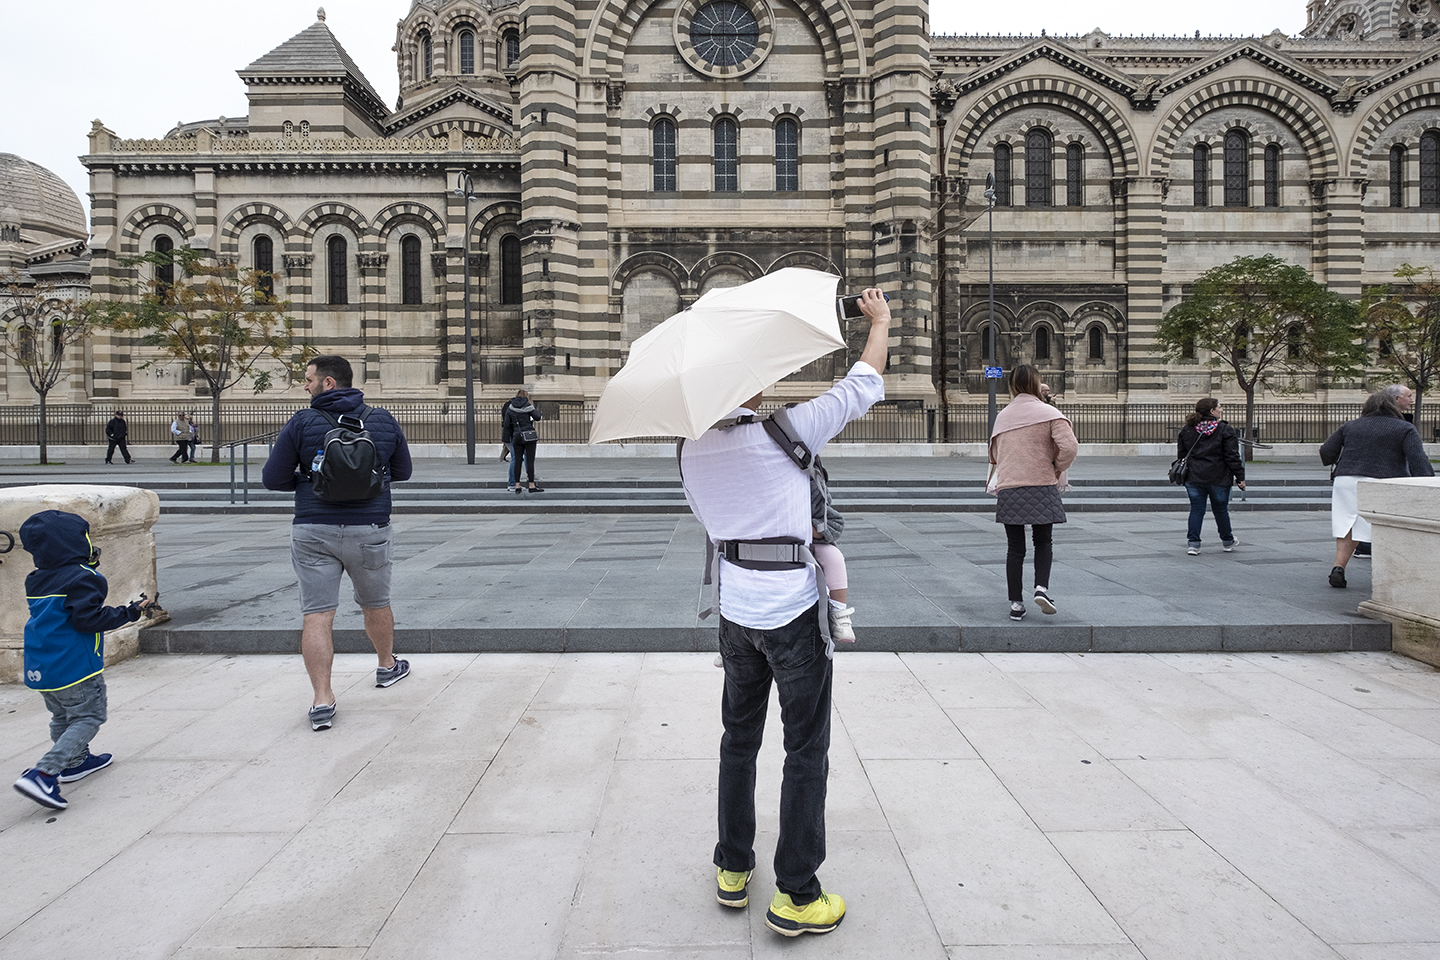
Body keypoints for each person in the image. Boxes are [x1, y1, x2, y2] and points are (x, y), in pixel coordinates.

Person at [680, 287, 891, 938]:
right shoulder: (786, 430)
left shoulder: (690, 450)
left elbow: (714, 527)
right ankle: (797, 893)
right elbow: (864, 385)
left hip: (735, 612)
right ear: (748, 385)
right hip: (792, 612)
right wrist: (878, 322)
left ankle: (734, 867)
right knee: (806, 750)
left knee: (737, 741)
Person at [261, 355, 414, 730]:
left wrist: (308, 478)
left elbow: (272, 478)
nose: (305, 385)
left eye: (309, 379)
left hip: (314, 529)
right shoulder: (381, 419)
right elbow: (404, 472)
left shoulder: (302, 422)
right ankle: (386, 665)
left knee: (317, 614)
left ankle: (322, 700)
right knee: (376, 604)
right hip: (369, 528)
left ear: (328, 383)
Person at [12, 510, 154, 810]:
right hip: (73, 666)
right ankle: (44, 773)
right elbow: (89, 620)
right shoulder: (83, 577)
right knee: (88, 716)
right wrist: (131, 611)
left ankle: (76, 762)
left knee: (61, 716)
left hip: (41, 665)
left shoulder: (35, 579)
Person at [988, 365, 1078, 621]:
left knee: (1015, 549)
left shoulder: (1003, 416)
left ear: (1013, 385)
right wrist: (1057, 467)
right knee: (1043, 541)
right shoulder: (1049, 412)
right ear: (1036, 384)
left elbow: (994, 454)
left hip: (1010, 486)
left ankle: (1016, 604)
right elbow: (1069, 446)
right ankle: (1041, 588)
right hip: (1042, 483)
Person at [1319, 390, 1433, 588]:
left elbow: (1326, 452)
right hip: (1384, 481)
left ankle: (1338, 567)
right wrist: (1428, 482)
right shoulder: (1404, 428)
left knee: (1347, 525)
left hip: (1346, 480)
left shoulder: (1351, 426)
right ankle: (1389, 575)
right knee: (1385, 526)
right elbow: (1418, 460)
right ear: (1393, 406)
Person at [1176, 398, 1247, 556]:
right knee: (1221, 510)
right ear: (1212, 411)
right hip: (1219, 477)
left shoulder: (1188, 429)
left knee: (1196, 509)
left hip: (1193, 476)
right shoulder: (1224, 430)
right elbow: (1232, 457)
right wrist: (1240, 477)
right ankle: (1227, 541)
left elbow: (1181, 455)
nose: (1221, 409)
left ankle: (1193, 544)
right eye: (1219, 407)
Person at [1355, 383, 1418, 561]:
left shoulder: (1362, 422)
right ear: (1397, 399)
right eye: (1409, 396)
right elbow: (1417, 457)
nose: (1412, 400)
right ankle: (1370, 545)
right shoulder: (1401, 426)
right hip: (1386, 474)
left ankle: (1365, 546)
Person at [501, 387, 544, 494]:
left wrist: (506, 439)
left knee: (516, 461)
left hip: (516, 437)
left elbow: (506, 425)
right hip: (528, 436)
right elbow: (538, 417)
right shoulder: (528, 406)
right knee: (529, 461)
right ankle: (531, 485)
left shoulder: (510, 407)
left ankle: (517, 486)